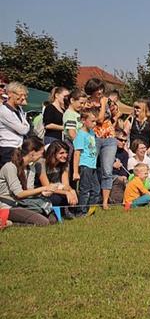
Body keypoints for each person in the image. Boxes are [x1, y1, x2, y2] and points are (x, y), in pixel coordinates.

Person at [0, 137, 54, 226]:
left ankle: (13, 220)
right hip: (8, 206)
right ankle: (9, 222)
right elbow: (19, 193)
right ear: (32, 153)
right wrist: (44, 187)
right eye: (41, 153)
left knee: (52, 219)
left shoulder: (31, 167)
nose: (42, 156)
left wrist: (42, 193)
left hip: (22, 203)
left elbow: (29, 190)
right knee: (44, 222)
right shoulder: (9, 167)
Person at [83, 79, 118, 209]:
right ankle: (91, 197)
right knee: (91, 168)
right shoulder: (87, 103)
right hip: (94, 138)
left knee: (107, 170)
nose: (100, 91)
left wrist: (113, 122)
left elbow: (116, 113)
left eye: (101, 89)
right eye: (97, 89)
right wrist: (103, 105)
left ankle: (105, 202)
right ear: (91, 90)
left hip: (109, 137)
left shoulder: (108, 101)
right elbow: (99, 119)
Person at [37, 140, 78, 219]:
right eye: (61, 153)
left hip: (57, 188)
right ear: (53, 153)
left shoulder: (64, 164)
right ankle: (51, 214)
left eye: (66, 152)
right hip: (43, 191)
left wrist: (71, 191)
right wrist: (66, 193)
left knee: (74, 194)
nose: (65, 155)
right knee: (57, 198)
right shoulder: (42, 163)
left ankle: (66, 212)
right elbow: (47, 186)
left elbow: (66, 184)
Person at [72, 112, 100, 215]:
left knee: (96, 190)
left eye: (95, 121)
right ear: (83, 120)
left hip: (92, 165)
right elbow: (77, 153)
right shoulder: (81, 135)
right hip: (85, 165)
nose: (94, 123)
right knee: (85, 189)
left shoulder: (91, 133)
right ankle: (81, 212)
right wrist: (75, 172)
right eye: (92, 121)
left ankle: (90, 211)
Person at [0, 82, 30, 167]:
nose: (23, 98)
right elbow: (23, 130)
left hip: (19, 148)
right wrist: (26, 126)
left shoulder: (19, 109)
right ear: (10, 94)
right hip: (8, 150)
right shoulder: (4, 111)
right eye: (20, 95)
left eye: (25, 95)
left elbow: (26, 126)